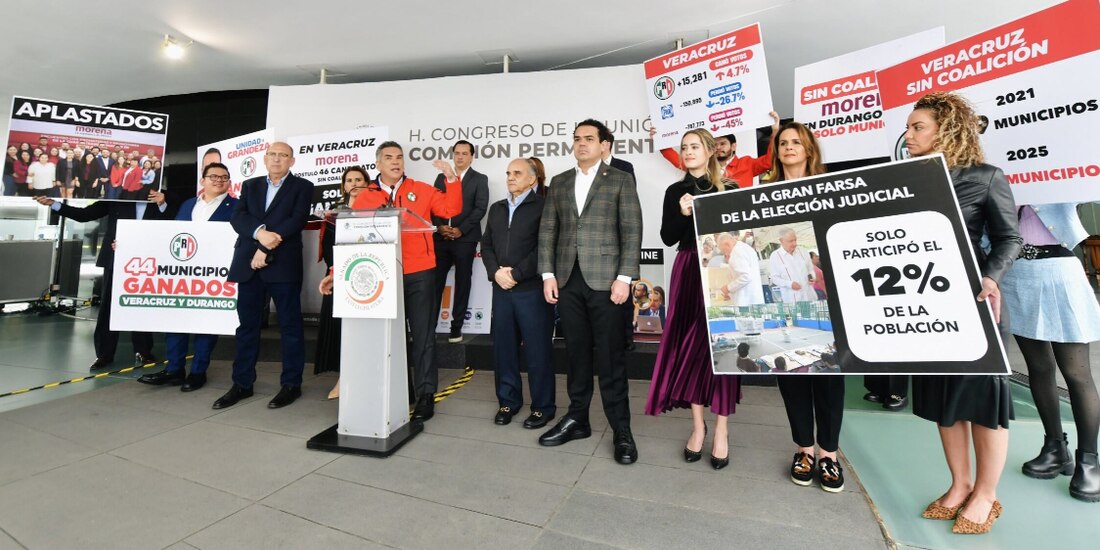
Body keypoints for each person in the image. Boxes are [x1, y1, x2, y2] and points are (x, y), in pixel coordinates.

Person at [904, 91, 1022, 533]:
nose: (909, 134)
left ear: (946, 129)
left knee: (983, 401)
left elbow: (1010, 238)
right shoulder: (909, 178)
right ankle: (960, 485)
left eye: (918, 126)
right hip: (926, 303)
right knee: (944, 401)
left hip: (975, 302)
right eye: (909, 127)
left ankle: (987, 495)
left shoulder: (987, 177)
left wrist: (990, 278)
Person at [322, 141, 462, 422]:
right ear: (378, 164)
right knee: (385, 337)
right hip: (381, 274)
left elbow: (451, 208)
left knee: (423, 336)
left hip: (420, 272)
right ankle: (397, 389)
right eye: (389, 158)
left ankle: (425, 395)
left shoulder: (420, 189)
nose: (396, 162)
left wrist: (451, 178)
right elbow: (353, 237)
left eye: (399, 157)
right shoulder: (365, 197)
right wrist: (336, 271)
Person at [538, 119, 642, 465]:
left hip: (607, 283)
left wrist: (625, 278)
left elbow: (631, 231)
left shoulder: (621, 181)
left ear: (604, 145)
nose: (581, 144)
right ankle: (577, 419)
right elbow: (548, 230)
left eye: (589, 139)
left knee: (611, 358)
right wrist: (548, 274)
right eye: (577, 139)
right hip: (568, 281)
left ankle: (622, 431)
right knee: (577, 354)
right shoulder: (560, 181)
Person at [644, 128, 742, 470]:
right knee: (688, 348)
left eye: (694, 146)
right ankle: (698, 427)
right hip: (687, 269)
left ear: (710, 150)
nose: (687, 152)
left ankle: (722, 431)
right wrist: (683, 214)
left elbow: (738, 235)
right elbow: (668, 237)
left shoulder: (729, 188)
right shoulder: (675, 190)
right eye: (684, 147)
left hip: (720, 272)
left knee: (722, 347)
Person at [761, 121, 846, 493]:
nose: (789, 148)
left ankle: (829, 453)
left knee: (828, 376)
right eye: (783, 143)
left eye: (797, 142)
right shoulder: (763, 191)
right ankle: (804, 449)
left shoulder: (830, 189)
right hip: (785, 311)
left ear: (809, 149)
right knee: (792, 373)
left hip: (828, 305)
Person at [1002, 202, 1100, 502]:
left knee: (1076, 373)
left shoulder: (1057, 174)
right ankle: (1055, 447)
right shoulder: (1000, 179)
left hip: (1059, 270)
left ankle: (1089, 460)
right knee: (1039, 368)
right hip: (1017, 274)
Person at [214, 142, 313, 410]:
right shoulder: (250, 184)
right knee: (247, 327)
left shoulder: (303, 187)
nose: (277, 159)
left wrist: (263, 249)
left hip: (282, 265)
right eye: (272, 154)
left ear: (292, 161)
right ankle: (242, 384)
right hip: (249, 265)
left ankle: (291, 384)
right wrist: (259, 235)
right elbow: (238, 217)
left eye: (283, 155)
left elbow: (297, 220)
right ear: (265, 158)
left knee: (290, 327)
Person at [34, 187, 168, 369]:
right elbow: (84, 214)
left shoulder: (163, 197)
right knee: (108, 306)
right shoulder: (117, 197)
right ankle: (104, 354)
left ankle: (144, 351)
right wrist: (54, 204)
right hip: (116, 258)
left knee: (141, 303)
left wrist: (162, 204)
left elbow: (174, 224)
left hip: (147, 261)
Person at [138, 162, 237, 391]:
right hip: (184, 274)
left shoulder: (237, 206)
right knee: (176, 320)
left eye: (224, 177)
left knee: (206, 323)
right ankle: (174, 369)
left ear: (229, 182)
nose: (219, 180)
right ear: (202, 180)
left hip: (214, 275)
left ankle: (198, 372)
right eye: (213, 176)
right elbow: (171, 236)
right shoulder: (188, 205)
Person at [481, 158, 555, 428]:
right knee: (504, 350)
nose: (510, 177)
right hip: (501, 290)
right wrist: (496, 273)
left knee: (538, 351)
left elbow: (545, 246)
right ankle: (508, 402)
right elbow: (486, 244)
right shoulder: (497, 208)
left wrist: (516, 274)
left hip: (531, 290)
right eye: (508, 173)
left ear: (533, 179)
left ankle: (543, 407)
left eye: (517, 173)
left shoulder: (545, 206)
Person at [315, 166, 371, 400]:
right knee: (343, 332)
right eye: (350, 180)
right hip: (341, 277)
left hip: (370, 277)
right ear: (344, 185)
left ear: (368, 183)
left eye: (359, 179)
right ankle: (343, 378)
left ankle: (365, 376)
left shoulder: (379, 211)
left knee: (365, 333)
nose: (354, 183)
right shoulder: (334, 215)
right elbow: (330, 249)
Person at [432, 140, 489, 343]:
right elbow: (433, 205)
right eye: (457, 153)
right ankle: (429, 327)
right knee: (435, 283)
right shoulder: (441, 178)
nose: (460, 157)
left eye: (465, 153)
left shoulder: (480, 179)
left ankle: (456, 328)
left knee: (463, 282)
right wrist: (440, 227)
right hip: (441, 238)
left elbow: (480, 209)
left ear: (472, 156)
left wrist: (460, 230)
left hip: (465, 239)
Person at [655, 112, 779, 188]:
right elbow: (679, 161)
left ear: (733, 146)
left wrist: (774, 132)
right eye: (715, 145)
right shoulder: (704, 165)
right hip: (712, 221)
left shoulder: (747, 163)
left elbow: (769, 161)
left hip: (741, 218)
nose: (718, 147)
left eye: (723, 143)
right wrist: (660, 140)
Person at [768, 227, 818, 303]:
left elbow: (810, 269)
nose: (795, 243)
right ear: (781, 241)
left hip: (810, 295)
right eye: (791, 241)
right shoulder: (775, 256)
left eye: (795, 240)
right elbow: (774, 278)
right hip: (792, 299)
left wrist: (812, 277)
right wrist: (790, 284)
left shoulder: (803, 251)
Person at [717, 231, 764, 306]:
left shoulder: (736, 252)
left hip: (745, 302)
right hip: (753, 297)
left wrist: (728, 288)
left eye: (723, 251)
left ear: (727, 244)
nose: (725, 254)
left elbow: (745, 277)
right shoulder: (745, 248)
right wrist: (731, 295)